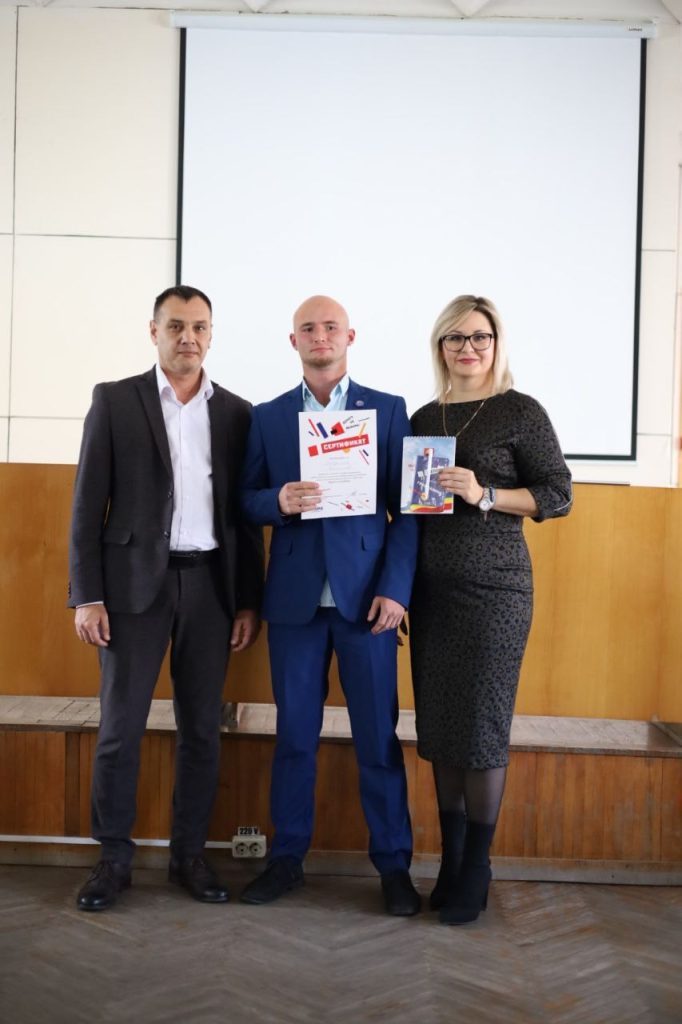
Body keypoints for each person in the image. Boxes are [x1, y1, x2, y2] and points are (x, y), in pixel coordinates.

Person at [68, 285, 264, 911]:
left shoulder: (237, 413)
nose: (188, 338)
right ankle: (113, 860)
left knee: (202, 730)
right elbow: (86, 506)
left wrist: (247, 600)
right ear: (153, 331)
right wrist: (87, 595)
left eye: (200, 327)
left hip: (210, 588)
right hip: (130, 591)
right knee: (120, 729)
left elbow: (242, 517)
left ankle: (188, 857)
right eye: (176, 326)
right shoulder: (114, 400)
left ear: (212, 334)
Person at [239, 295, 420, 916]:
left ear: (350, 337)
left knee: (377, 740)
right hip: (294, 604)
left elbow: (408, 511)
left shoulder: (388, 410)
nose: (321, 336)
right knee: (294, 737)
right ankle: (286, 859)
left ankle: (394, 867)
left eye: (331, 327)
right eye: (308, 328)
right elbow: (244, 500)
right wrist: (276, 501)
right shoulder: (268, 416)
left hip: (367, 602)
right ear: (293, 341)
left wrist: (396, 589)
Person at [409, 295, 572, 925]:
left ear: (496, 343)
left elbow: (559, 494)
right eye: (455, 337)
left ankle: (477, 866)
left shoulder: (519, 410)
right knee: (441, 729)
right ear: (440, 346)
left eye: (479, 336)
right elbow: (412, 508)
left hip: (496, 593)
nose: (468, 348)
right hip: (431, 594)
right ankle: (450, 862)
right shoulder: (425, 416)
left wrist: (485, 493)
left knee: (479, 727)